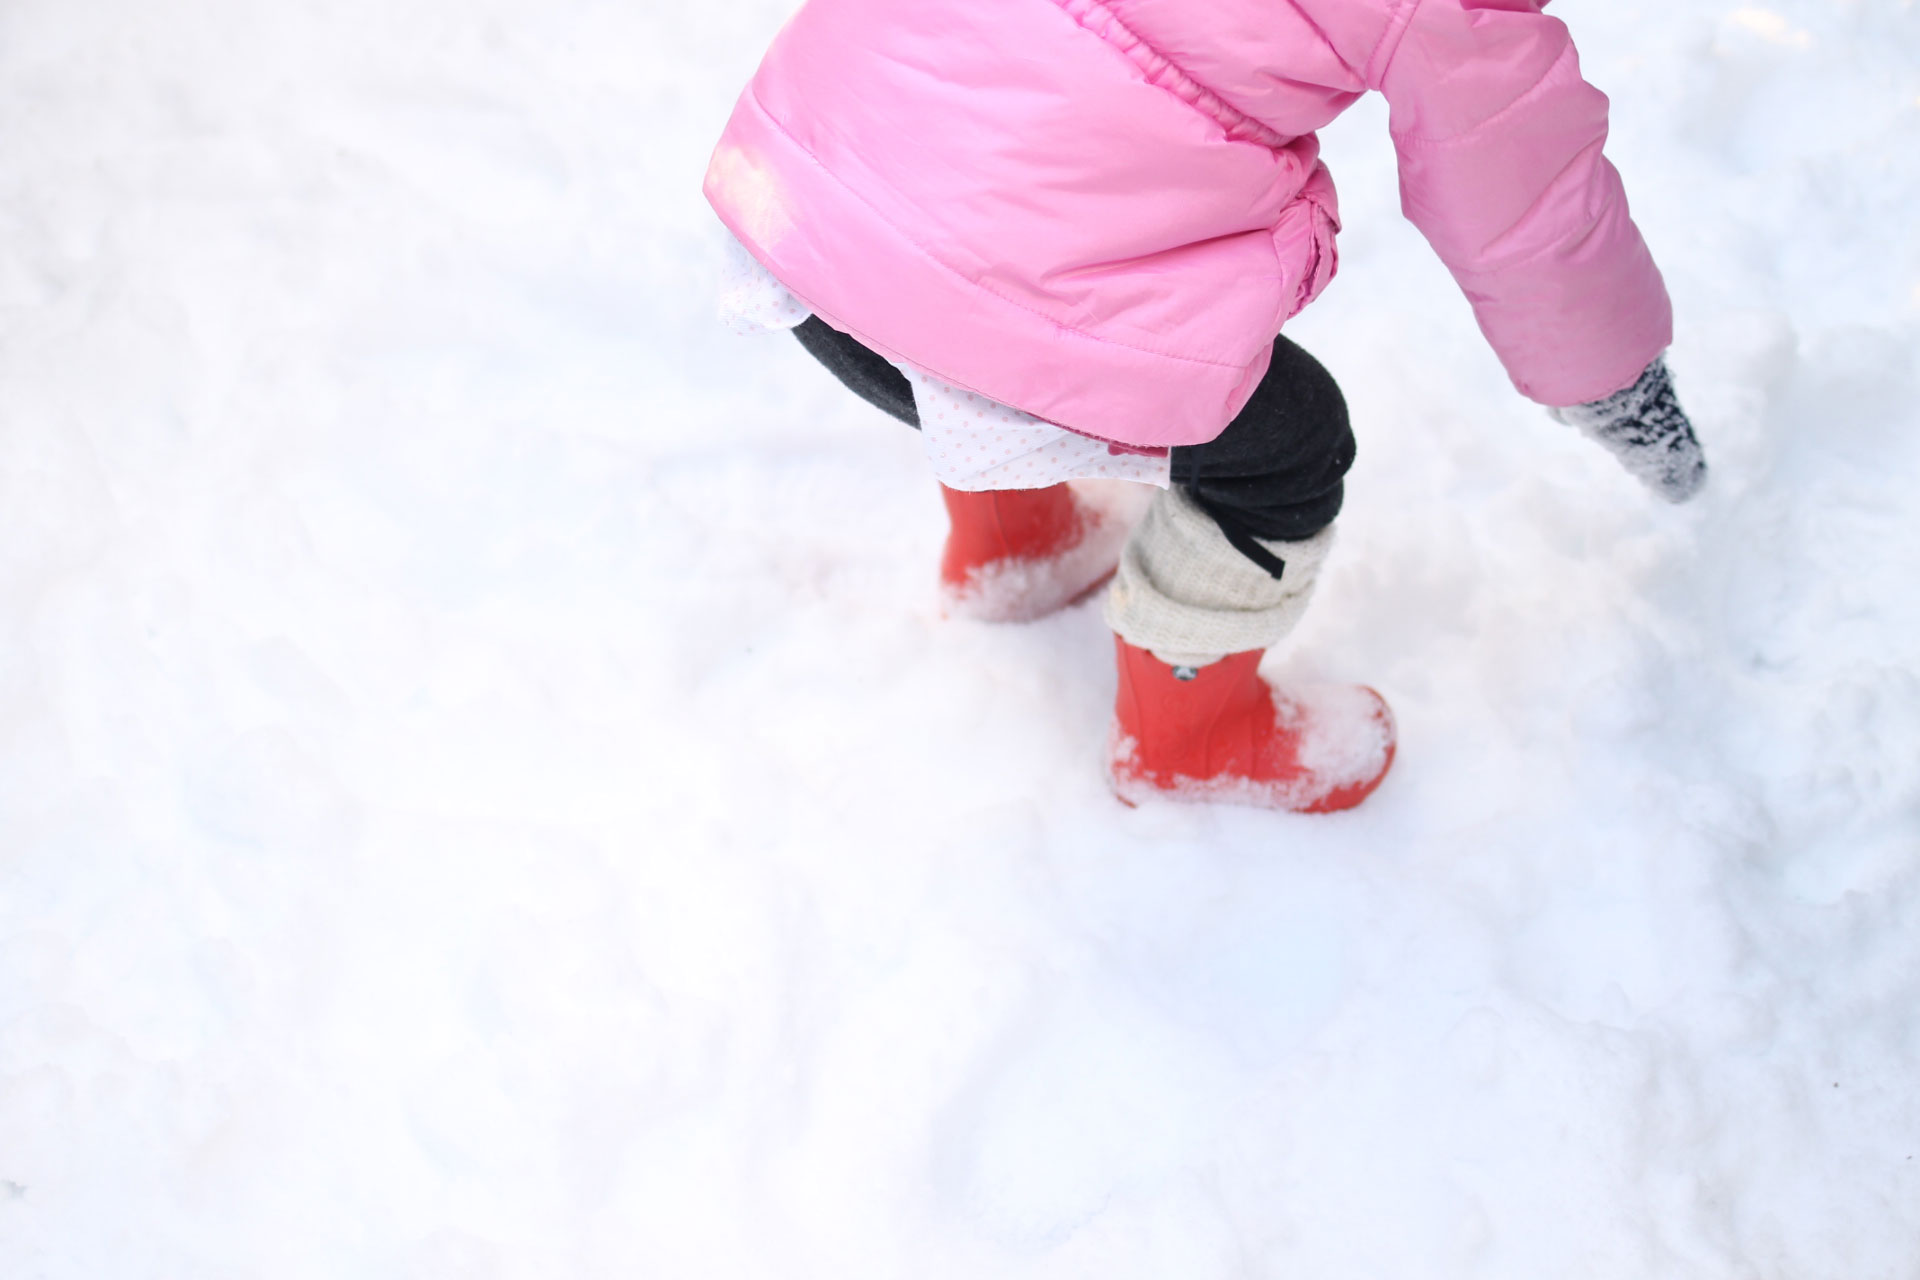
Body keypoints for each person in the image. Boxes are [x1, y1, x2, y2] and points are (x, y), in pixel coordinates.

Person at [704, 0, 1707, 813]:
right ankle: (1190, 736)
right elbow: (1532, 220)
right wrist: (1619, 388)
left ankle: (1014, 548)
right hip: (959, 285)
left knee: (1009, 302)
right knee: (1286, 444)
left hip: (803, 203)